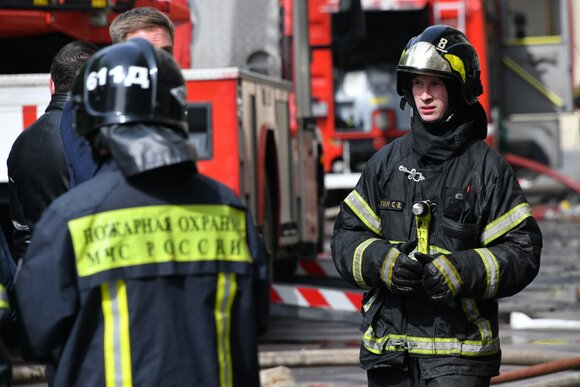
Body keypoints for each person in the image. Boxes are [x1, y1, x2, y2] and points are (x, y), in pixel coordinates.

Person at [15, 38, 269, 386]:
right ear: (178, 113)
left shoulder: (69, 220)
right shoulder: (230, 211)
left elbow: (37, 335)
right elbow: (256, 321)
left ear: (89, 122)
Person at [331, 25, 542, 386]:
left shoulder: (486, 169)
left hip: (458, 359)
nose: (424, 96)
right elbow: (345, 239)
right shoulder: (385, 163)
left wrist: (461, 271)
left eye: (435, 85)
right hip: (390, 355)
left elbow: (522, 253)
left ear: (459, 91)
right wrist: (384, 263)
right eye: (417, 85)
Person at [61, 6, 175, 187]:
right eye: (144, 54)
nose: (158, 63)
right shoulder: (87, 109)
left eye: (166, 53)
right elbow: (96, 182)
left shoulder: (178, 103)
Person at [6, 40, 98, 261]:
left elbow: (20, 229)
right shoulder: (94, 138)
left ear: (51, 86)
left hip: (37, 271)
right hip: (84, 269)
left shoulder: (20, 143)